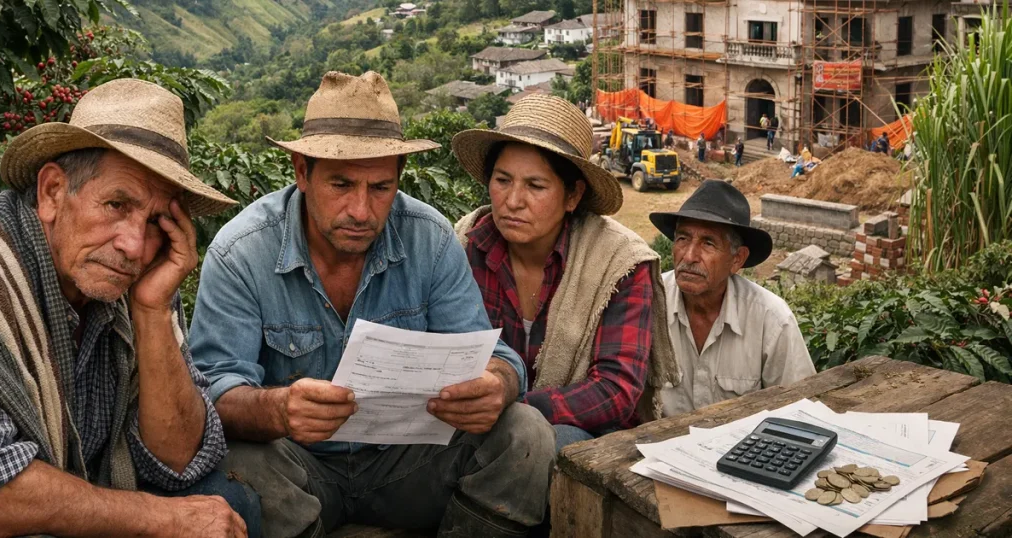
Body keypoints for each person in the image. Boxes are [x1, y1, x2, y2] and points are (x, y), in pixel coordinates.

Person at [189, 71, 555, 538]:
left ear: (399, 179)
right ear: (302, 171)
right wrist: (278, 410)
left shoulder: (431, 238)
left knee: (526, 432)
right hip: (300, 471)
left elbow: (496, 360)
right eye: (341, 185)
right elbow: (214, 392)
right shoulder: (241, 251)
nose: (361, 211)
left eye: (381, 188)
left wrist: (495, 386)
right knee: (237, 461)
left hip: (407, 465)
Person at [0, 78, 259, 537]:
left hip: (78, 503)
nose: (133, 245)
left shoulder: (135, 282)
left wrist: (152, 313)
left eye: (156, 221)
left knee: (232, 501)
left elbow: (181, 461)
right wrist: (161, 520)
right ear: (53, 192)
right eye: (116, 204)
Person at [451, 95, 680, 451]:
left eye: (535, 186)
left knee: (554, 444)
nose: (513, 200)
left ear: (573, 195)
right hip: (477, 423)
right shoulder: (466, 242)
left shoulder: (619, 263)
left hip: (586, 434)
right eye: (502, 180)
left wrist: (512, 408)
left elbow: (615, 390)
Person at [649, 181, 816, 416]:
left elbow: (800, 410)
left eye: (708, 243)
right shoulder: (649, 301)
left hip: (744, 450)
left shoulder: (772, 319)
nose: (689, 256)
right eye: (682, 239)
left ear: (737, 259)